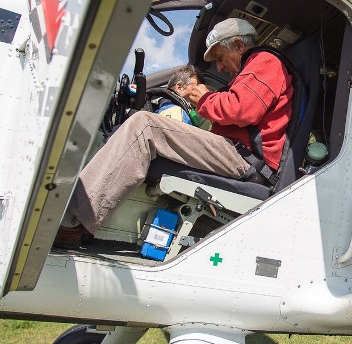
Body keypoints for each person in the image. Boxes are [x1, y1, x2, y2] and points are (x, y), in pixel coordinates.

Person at [54, 18, 293, 248]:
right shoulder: (250, 71)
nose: (219, 67)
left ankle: (73, 221)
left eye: (220, 58)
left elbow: (241, 110)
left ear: (239, 45)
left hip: (243, 157)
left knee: (145, 126)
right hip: (233, 149)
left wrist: (206, 98)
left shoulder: (264, 60)